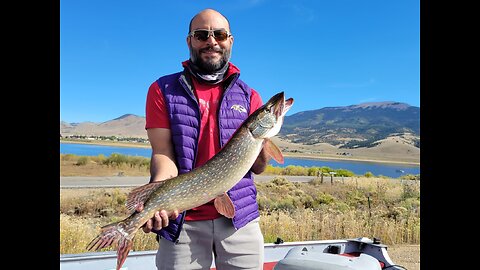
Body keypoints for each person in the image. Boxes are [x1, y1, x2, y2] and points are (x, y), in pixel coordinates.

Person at [139, 8, 270, 270]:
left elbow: (259, 167)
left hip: (239, 219)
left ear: (230, 41)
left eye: (219, 34)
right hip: (182, 221)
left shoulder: (249, 97)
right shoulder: (162, 90)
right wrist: (157, 198)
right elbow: (163, 153)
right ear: (189, 41)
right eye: (201, 35)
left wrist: (264, 138)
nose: (212, 41)